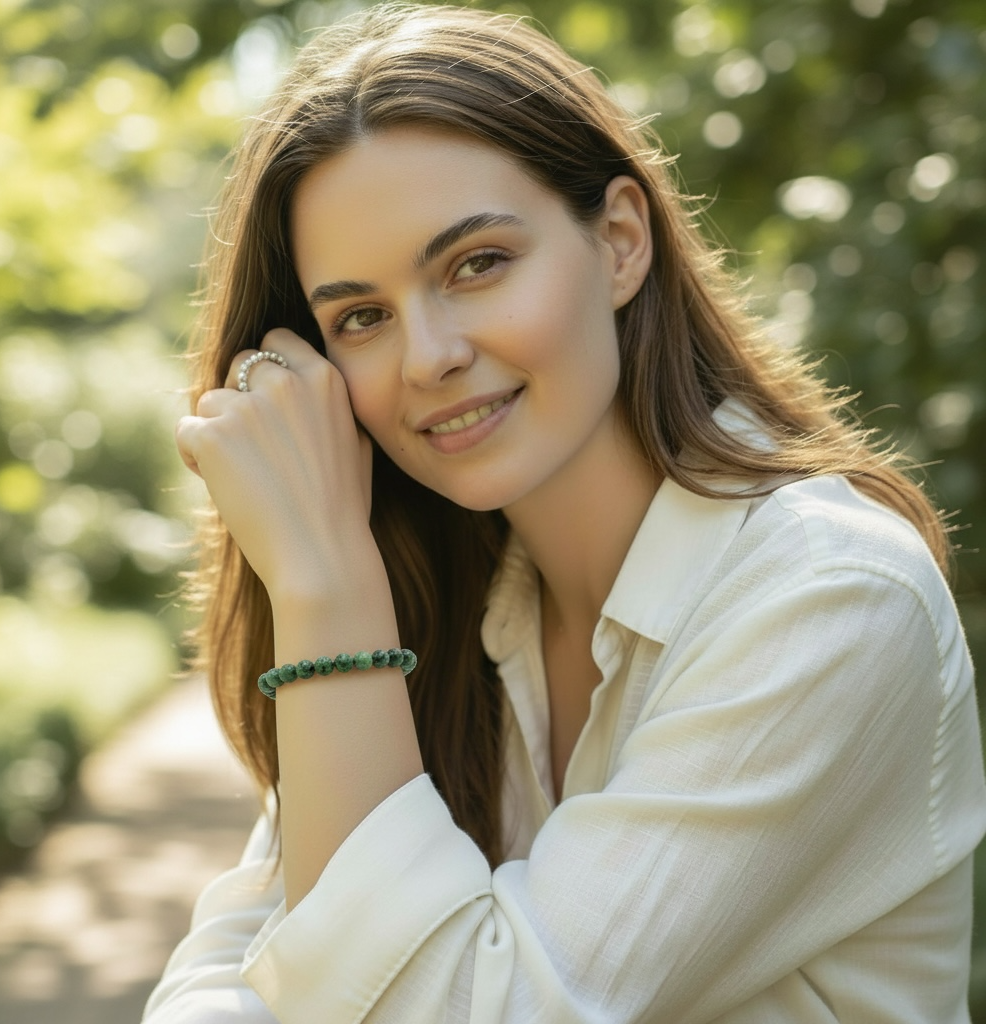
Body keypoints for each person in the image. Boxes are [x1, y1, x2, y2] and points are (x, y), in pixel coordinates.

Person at [144, 4, 986, 1021]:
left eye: (476, 263)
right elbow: (235, 962)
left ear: (621, 242)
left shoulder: (830, 599)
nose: (428, 356)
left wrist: (323, 586)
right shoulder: (433, 595)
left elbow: (463, 1007)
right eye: (360, 317)